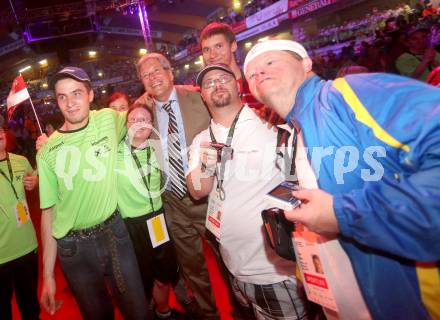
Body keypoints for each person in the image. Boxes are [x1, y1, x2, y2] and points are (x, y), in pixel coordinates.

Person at [244, 39, 440, 320]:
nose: (259, 73)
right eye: (251, 73)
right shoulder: (293, 134)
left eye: (270, 62)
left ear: (306, 63)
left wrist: (344, 214)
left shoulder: (348, 94)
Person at [186, 64, 307, 320]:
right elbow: (197, 192)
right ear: (203, 96)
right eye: (208, 83)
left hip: (274, 270)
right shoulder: (200, 140)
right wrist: (208, 163)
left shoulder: (270, 123)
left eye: (223, 78)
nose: (216, 85)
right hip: (233, 266)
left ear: (238, 85)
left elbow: (298, 179)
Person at [36, 66, 151, 320]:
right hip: (74, 250)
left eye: (76, 93)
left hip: (115, 235)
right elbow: (48, 213)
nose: (70, 103)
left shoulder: (109, 119)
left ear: (90, 95)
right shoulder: (47, 152)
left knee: (139, 313)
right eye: (62, 96)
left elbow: (141, 111)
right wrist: (47, 276)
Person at [135, 53, 218, 319]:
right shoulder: (142, 112)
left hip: (211, 198)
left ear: (171, 72)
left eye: (157, 70)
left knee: (229, 260)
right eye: (146, 75)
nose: (153, 77)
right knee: (192, 267)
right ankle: (209, 314)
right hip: (173, 204)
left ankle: (243, 308)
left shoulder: (198, 97)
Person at [116, 103, 183, 320]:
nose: (140, 124)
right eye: (134, 120)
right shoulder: (112, 154)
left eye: (145, 120)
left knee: (163, 274)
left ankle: (163, 312)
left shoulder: (157, 148)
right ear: (126, 125)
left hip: (157, 221)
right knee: (138, 281)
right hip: (131, 227)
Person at [0, 125, 40, 320]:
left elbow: (35, 176)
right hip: (1, 255)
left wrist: (35, 180)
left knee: (30, 306)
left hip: (26, 246)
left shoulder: (21, 161)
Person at [200, 22, 263, 110]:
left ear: (233, 46)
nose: (212, 55)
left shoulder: (257, 82)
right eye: (206, 50)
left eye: (218, 46)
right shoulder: (206, 94)